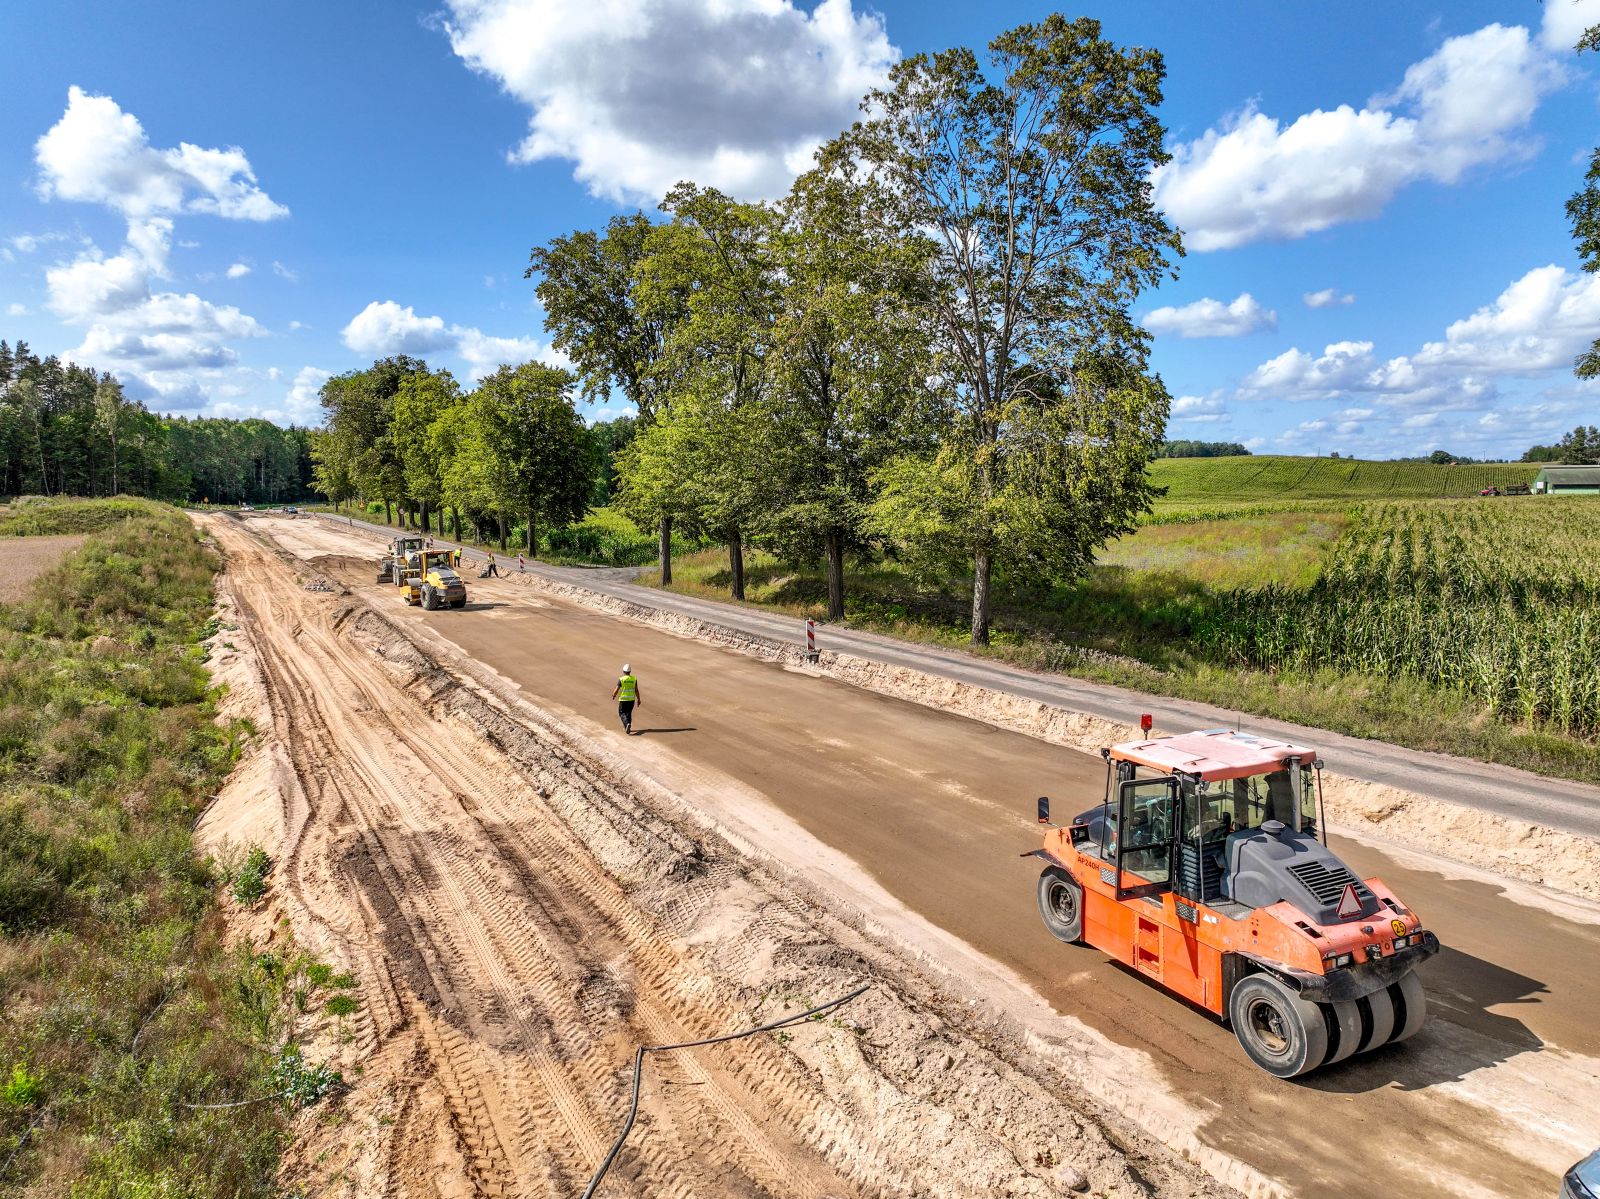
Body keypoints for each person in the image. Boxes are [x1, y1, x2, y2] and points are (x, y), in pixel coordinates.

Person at [611, 664, 641, 735]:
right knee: (628, 713)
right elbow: (636, 690)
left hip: (623, 699)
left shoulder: (621, 679)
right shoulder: (634, 679)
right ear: (630, 671)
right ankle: (628, 727)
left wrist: (614, 695)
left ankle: (627, 724)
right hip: (631, 700)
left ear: (623, 671)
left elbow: (617, 689)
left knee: (622, 713)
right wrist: (639, 699)